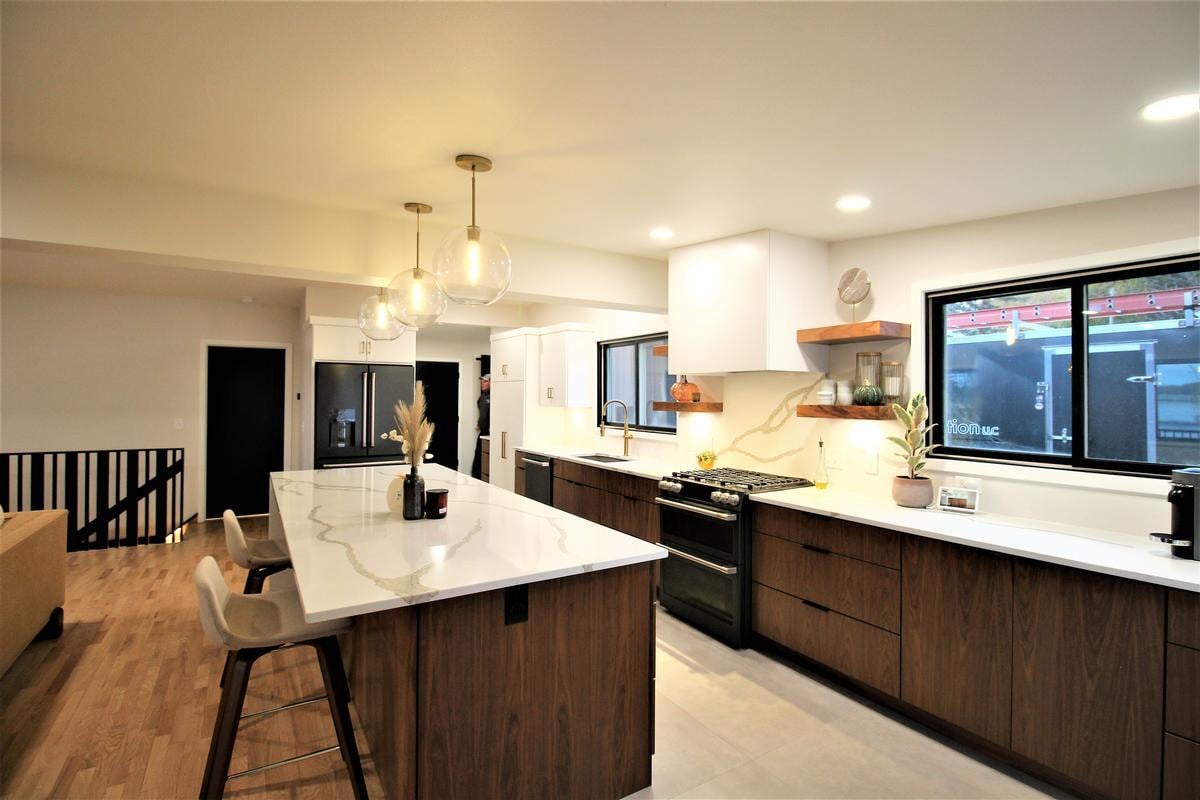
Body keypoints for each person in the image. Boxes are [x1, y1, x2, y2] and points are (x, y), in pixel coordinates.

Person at [471, 374, 491, 479]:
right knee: (478, 456)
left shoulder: (495, 397)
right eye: (481, 382)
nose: (482, 384)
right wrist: (479, 424)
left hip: (491, 433)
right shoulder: (481, 398)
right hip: (483, 433)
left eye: (485, 381)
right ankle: (477, 477)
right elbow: (482, 414)